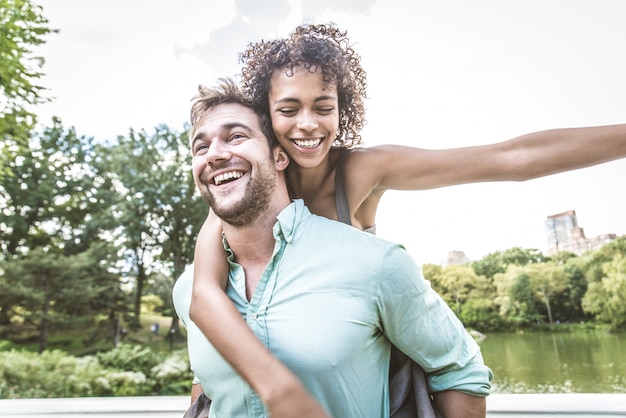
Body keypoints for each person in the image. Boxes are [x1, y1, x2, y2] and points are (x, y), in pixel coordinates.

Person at [186, 23, 626, 417]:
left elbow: (510, 157)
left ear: (343, 109)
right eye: (288, 110)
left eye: (323, 106)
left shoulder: (362, 169)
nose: (308, 124)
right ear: (266, 116)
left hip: (373, 362)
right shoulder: (242, 189)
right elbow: (206, 294)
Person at [173, 77, 493, 418]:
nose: (216, 154)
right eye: (201, 147)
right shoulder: (187, 290)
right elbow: (205, 388)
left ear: (280, 156)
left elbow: (461, 373)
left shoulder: (375, 263)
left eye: (236, 136)